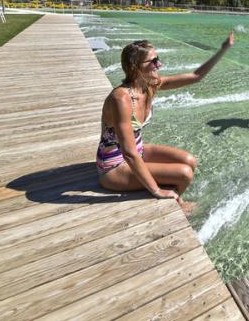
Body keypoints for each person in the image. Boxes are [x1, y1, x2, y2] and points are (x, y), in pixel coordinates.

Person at [96, 32, 233, 211]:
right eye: (153, 61)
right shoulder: (120, 99)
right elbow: (128, 154)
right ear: (135, 67)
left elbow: (195, 76)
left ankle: (173, 199)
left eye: (158, 59)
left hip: (138, 150)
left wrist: (223, 50)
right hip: (114, 166)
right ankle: (173, 204)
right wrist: (157, 190)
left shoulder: (150, 85)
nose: (159, 64)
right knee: (184, 174)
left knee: (190, 161)